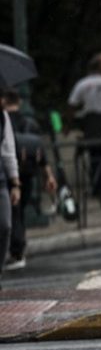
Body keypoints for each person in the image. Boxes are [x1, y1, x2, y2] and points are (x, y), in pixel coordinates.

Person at [2, 90, 57, 270]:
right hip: (28, 174)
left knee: (14, 214)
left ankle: (17, 251)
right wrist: (48, 175)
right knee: (19, 212)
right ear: (19, 101)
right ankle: (19, 248)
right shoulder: (30, 123)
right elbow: (41, 152)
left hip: (11, 175)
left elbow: (8, 151)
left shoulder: (5, 120)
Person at [68, 52, 101, 206]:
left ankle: (98, 185)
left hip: (90, 125)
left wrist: (68, 126)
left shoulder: (82, 83)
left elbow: (72, 105)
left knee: (94, 156)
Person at [0, 106, 22, 290]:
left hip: (0, 181)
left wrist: (15, 183)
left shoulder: (2, 115)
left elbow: (8, 151)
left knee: (5, 225)